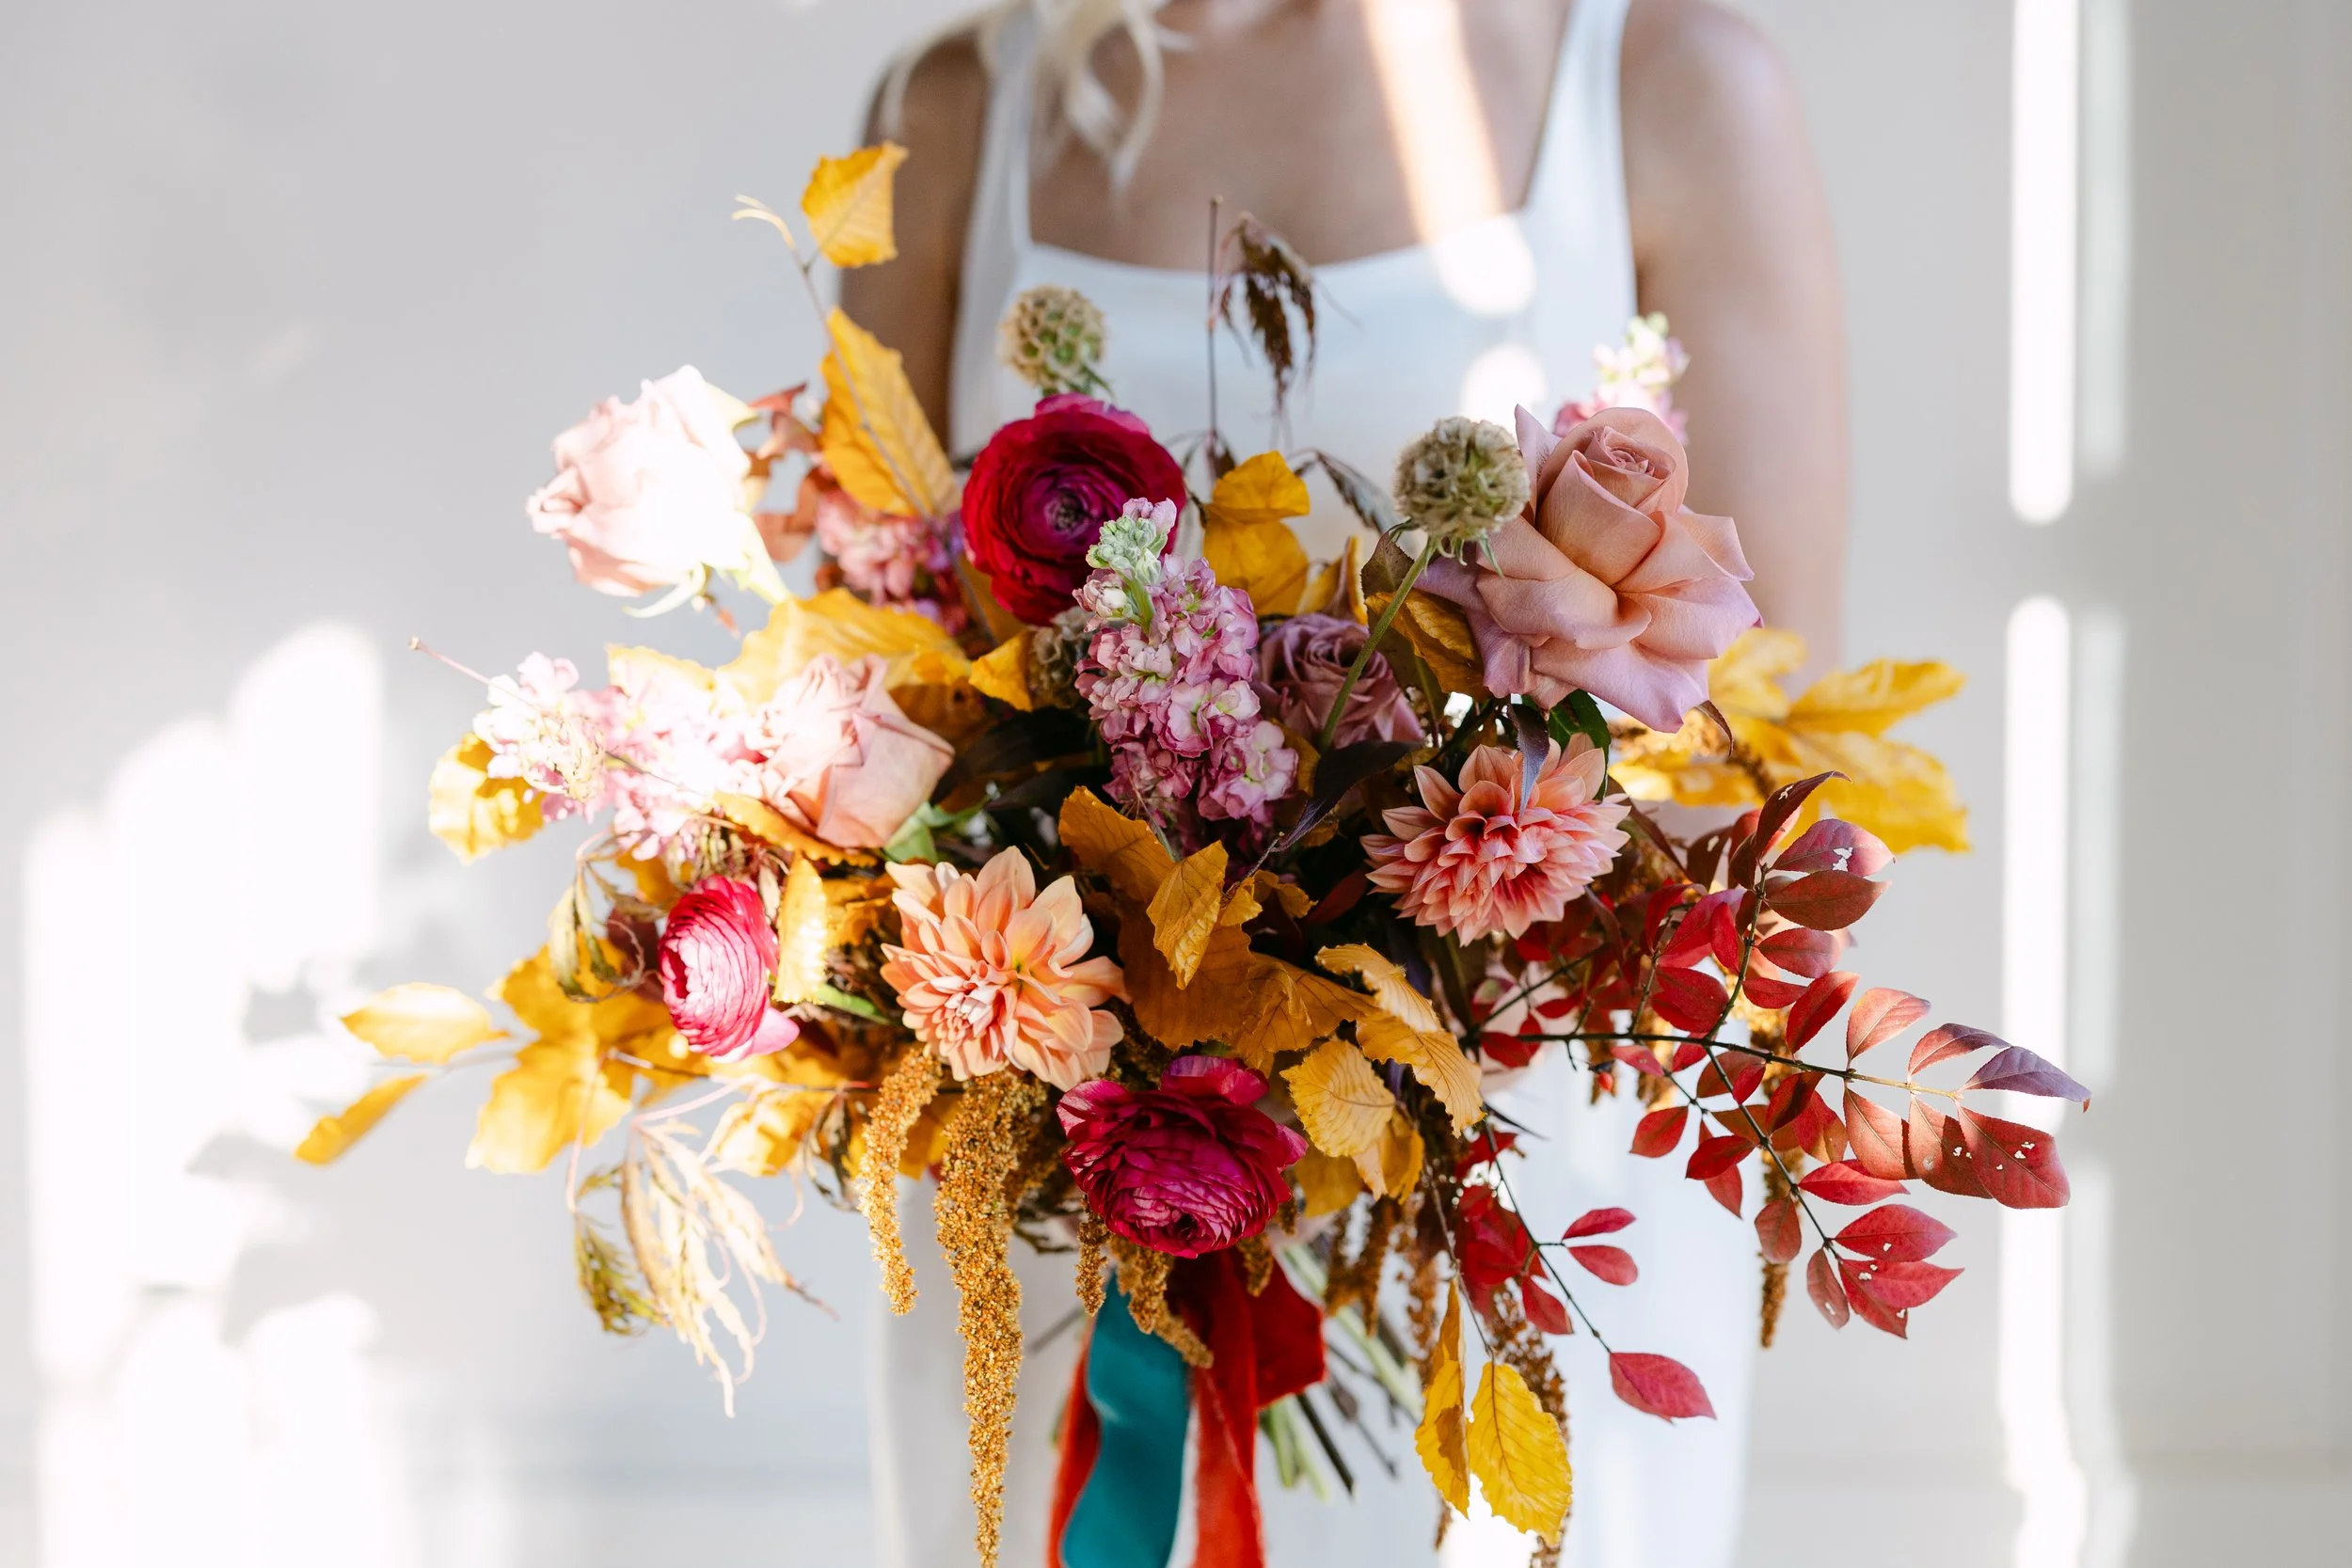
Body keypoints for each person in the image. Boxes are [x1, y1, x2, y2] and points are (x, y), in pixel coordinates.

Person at [846, 3, 1847, 1564]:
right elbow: (860, 667)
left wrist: (1401, 1007)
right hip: (1069, 1196)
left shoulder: (1659, 82)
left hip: (1514, 1174)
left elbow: (1767, 724)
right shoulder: (959, 110)